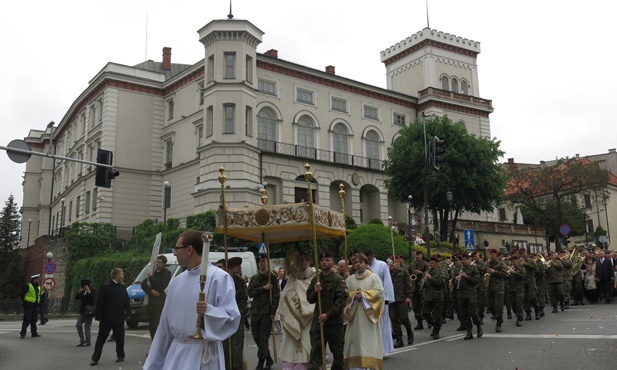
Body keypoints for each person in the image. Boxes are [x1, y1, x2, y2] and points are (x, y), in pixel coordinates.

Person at [143, 230, 241, 370]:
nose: (175, 252)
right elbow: (164, 329)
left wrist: (208, 311)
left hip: (204, 354)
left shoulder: (219, 278)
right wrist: (152, 365)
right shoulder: (176, 282)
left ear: (189, 250)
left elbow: (232, 318)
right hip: (176, 354)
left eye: (177, 248)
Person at [343, 253, 384, 369]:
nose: (358, 264)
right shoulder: (350, 280)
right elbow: (345, 295)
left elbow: (380, 293)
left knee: (368, 343)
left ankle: (370, 364)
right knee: (355, 343)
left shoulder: (373, 278)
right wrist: (353, 296)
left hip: (368, 317)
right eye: (356, 262)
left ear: (366, 264)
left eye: (361, 262)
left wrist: (365, 296)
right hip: (354, 317)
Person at [307, 251, 346, 370]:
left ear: (332, 262)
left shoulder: (338, 280)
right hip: (319, 322)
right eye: (322, 260)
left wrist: (328, 315)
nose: (324, 262)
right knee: (315, 354)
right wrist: (315, 291)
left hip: (334, 323)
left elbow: (341, 301)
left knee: (338, 356)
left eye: (327, 260)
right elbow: (309, 299)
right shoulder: (316, 279)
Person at [276, 251, 315, 370]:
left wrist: (303, 305)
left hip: (308, 320)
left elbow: (315, 298)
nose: (300, 262)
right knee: (290, 351)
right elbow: (285, 295)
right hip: (292, 318)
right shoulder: (292, 277)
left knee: (307, 350)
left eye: (303, 259)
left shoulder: (315, 277)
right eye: (299, 259)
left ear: (309, 261)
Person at [90, 268, 131, 366]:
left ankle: (120, 355)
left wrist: (128, 313)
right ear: (116, 275)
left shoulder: (123, 287)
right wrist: (98, 316)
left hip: (119, 317)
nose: (123, 275)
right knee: (101, 338)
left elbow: (126, 301)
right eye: (121, 274)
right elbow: (100, 302)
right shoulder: (106, 286)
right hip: (107, 318)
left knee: (120, 338)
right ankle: (95, 358)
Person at [248, 255, 280, 370]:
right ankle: (269, 358)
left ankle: (261, 362)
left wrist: (273, 311)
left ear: (267, 262)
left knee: (263, 339)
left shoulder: (272, 277)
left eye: (263, 261)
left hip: (267, 312)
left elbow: (276, 296)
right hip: (256, 311)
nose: (261, 264)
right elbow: (250, 293)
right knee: (256, 337)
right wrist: (263, 288)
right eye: (259, 262)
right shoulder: (254, 278)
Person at [364, 249, 395, 355]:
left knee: (383, 324)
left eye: (370, 256)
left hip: (381, 299)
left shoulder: (382, 265)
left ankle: (384, 349)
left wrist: (387, 298)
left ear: (373, 255)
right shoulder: (365, 267)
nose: (369, 258)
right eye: (367, 257)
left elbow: (387, 281)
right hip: (368, 299)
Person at [223, 257, 249, 370]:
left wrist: (235, 314)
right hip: (223, 319)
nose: (239, 268)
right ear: (232, 267)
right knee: (224, 349)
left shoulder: (240, 282)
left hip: (237, 320)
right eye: (237, 266)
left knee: (236, 350)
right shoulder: (223, 280)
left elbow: (244, 301)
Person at [141, 255, 172, 339]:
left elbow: (161, 285)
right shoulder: (153, 272)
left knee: (157, 325)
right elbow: (143, 284)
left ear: (164, 264)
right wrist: (151, 291)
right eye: (156, 262)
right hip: (151, 304)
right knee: (151, 327)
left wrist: (151, 277)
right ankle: (152, 348)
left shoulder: (166, 273)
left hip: (160, 304)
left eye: (159, 262)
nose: (157, 264)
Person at [456, 253, 482, 340]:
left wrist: (466, 276)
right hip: (461, 294)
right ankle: (469, 331)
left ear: (468, 260)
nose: (463, 261)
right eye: (461, 260)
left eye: (464, 259)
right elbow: (453, 281)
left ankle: (478, 326)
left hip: (471, 294)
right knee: (464, 313)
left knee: (473, 312)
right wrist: (456, 279)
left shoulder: (473, 268)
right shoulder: (459, 269)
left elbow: (476, 281)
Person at [389, 255, 413, 347]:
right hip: (392, 299)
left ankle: (409, 331)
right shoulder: (388, 273)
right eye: (391, 263)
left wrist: (408, 297)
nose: (393, 265)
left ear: (397, 263)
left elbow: (408, 285)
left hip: (401, 298)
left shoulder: (403, 272)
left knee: (403, 317)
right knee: (393, 319)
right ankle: (399, 339)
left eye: (394, 263)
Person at [421, 255, 446, 339]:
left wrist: (431, 278)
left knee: (437, 315)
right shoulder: (426, 272)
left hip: (437, 296)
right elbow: (422, 284)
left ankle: (436, 331)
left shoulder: (440, 272)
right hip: (428, 296)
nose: (430, 265)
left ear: (435, 264)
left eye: (432, 263)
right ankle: (434, 325)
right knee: (425, 313)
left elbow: (441, 283)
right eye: (429, 263)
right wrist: (423, 282)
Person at [486, 248, 507, 332]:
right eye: (490, 254)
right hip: (489, 287)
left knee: (498, 306)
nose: (492, 256)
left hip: (498, 287)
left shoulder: (501, 263)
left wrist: (495, 272)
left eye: (493, 254)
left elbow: (505, 274)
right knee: (489, 305)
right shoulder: (487, 263)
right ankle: (498, 317)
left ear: (496, 255)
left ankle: (498, 323)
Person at [408, 251, 428, 329]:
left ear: (421, 256)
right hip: (414, 287)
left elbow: (428, 274)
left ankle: (428, 320)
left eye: (419, 255)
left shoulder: (425, 264)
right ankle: (419, 323)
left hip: (423, 287)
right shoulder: (412, 264)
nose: (417, 257)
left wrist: (420, 272)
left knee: (423, 305)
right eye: (416, 255)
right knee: (415, 306)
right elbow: (409, 274)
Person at [20, 274, 42, 339]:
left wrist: (39, 302)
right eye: (38, 279)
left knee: (34, 319)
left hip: (35, 305)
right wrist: (24, 301)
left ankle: (34, 333)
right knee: (27, 318)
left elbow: (37, 295)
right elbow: (22, 293)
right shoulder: (28, 285)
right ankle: (23, 333)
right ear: (34, 280)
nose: (39, 281)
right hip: (29, 304)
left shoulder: (38, 286)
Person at [506, 255, 526, 327]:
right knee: (513, 305)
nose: (513, 263)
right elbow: (505, 278)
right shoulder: (510, 268)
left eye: (514, 261)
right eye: (512, 262)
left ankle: (519, 318)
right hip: (511, 289)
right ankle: (518, 315)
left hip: (519, 289)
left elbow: (522, 277)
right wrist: (506, 273)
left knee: (519, 304)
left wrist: (514, 272)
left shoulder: (521, 268)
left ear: (517, 261)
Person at [76, 278, 96, 346]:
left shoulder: (93, 291)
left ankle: (88, 341)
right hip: (82, 310)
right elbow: (77, 298)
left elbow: (93, 299)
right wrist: (79, 292)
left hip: (89, 310)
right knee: (78, 324)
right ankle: (82, 339)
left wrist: (88, 291)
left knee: (87, 326)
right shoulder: (83, 291)